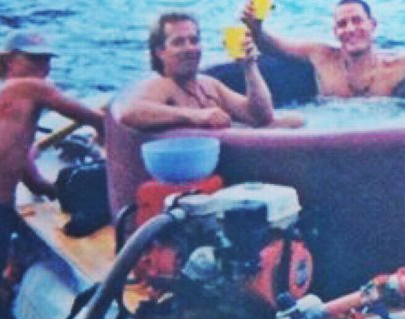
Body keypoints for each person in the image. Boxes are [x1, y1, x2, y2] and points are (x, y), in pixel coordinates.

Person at [0, 31, 104, 319]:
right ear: (10, 61)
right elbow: (92, 118)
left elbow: (30, 178)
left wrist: (63, 192)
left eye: (47, 61)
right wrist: (111, 129)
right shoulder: (29, 88)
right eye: (35, 60)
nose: (44, 68)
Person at [108, 12, 297, 215]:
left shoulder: (209, 85)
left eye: (194, 40)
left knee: (292, 121)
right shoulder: (161, 84)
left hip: (223, 171)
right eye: (179, 42)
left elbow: (260, 116)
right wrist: (196, 116)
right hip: (186, 183)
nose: (189, 48)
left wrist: (249, 66)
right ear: (160, 51)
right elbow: (130, 112)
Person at [242, 0, 405, 99]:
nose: (350, 29)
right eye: (342, 24)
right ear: (335, 32)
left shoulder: (397, 67)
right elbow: (272, 46)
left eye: (357, 20)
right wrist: (256, 26)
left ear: (372, 25)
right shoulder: (321, 57)